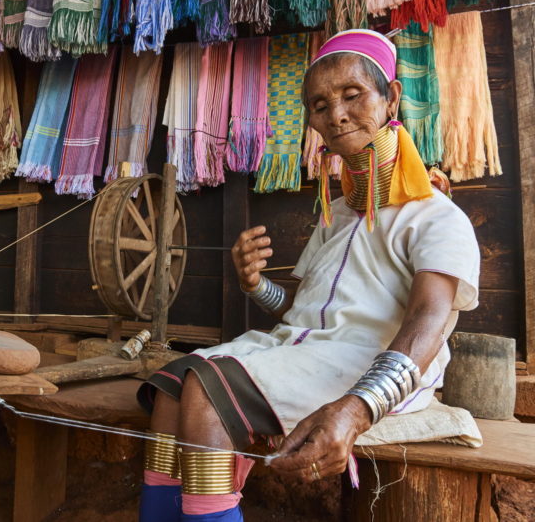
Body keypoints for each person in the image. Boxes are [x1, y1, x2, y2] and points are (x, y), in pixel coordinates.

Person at [137, 29, 481, 522]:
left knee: (206, 392)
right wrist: (257, 285)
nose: (335, 114)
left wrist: (356, 410)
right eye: (319, 105)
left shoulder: (435, 216)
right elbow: (302, 315)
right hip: (308, 352)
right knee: (172, 386)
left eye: (352, 95)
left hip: (377, 365)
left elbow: (426, 327)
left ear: (392, 98)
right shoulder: (336, 215)